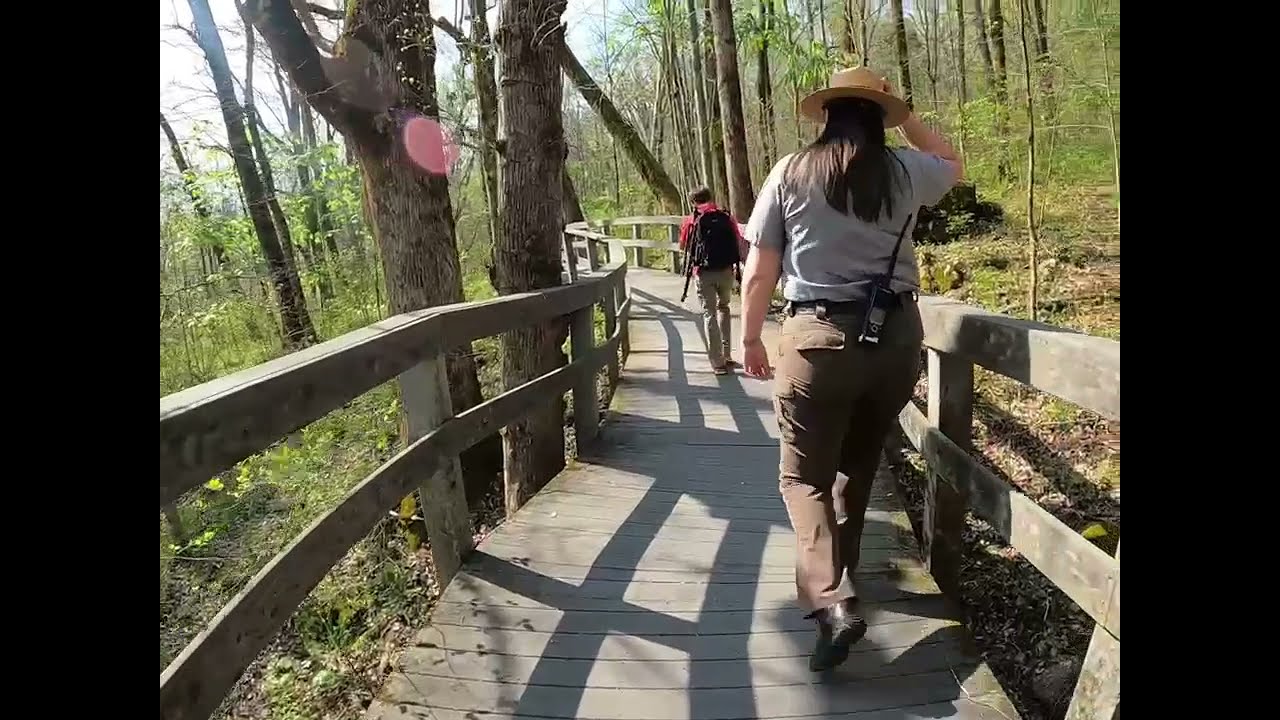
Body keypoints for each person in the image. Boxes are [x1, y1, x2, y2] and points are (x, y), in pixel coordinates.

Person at [738, 67, 963, 671]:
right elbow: (951, 160)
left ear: (829, 114)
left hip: (816, 338)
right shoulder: (906, 171)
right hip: (894, 338)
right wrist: (907, 113)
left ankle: (832, 602)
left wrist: (751, 337)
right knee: (857, 465)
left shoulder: (791, 171)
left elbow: (760, 270)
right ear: (879, 116)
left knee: (802, 477)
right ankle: (842, 579)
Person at [678, 187, 748, 375]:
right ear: (711, 198)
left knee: (709, 313)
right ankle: (727, 354)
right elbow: (737, 239)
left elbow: (683, 245)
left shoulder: (691, 221)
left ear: (693, 202)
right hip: (726, 271)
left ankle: (717, 363)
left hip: (703, 272)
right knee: (723, 308)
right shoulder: (726, 216)